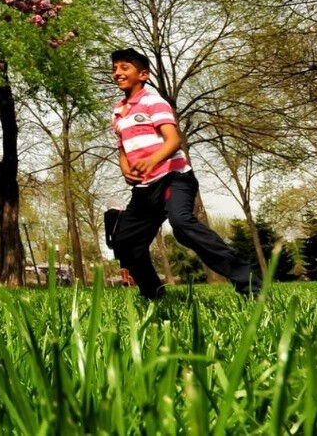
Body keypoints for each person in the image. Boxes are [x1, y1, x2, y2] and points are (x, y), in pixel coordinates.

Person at [106, 47, 259, 299]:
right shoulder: (118, 111)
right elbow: (122, 147)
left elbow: (173, 140)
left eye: (124, 68)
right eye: (114, 69)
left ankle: (251, 286)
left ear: (143, 74)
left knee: (182, 224)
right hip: (145, 189)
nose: (117, 73)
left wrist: (151, 161)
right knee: (125, 241)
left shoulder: (153, 101)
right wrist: (125, 169)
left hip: (174, 178)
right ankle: (154, 295)